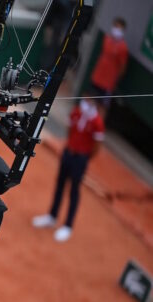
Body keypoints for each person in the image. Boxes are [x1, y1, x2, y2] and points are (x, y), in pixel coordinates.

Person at [32, 95, 105, 242]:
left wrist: (84, 156)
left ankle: (68, 226)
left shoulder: (97, 122)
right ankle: (52, 216)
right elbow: (70, 129)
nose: (87, 100)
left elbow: (97, 146)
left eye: (90, 99)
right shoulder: (77, 111)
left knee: (74, 191)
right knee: (60, 184)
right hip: (68, 153)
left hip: (80, 159)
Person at [90, 17, 128, 113]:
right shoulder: (106, 39)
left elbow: (122, 68)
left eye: (119, 28)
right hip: (97, 76)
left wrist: (115, 81)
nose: (116, 30)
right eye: (115, 26)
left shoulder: (123, 48)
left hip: (108, 82)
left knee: (103, 105)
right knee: (91, 99)